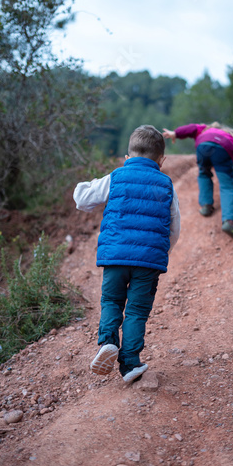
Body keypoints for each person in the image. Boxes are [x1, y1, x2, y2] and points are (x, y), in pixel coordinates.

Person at [73, 125, 180, 384]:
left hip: (115, 257)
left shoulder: (115, 177)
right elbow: (174, 227)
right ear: (161, 160)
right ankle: (130, 363)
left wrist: (88, 183)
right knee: (137, 311)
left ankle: (107, 342)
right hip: (149, 261)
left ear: (127, 157)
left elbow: (82, 199)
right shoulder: (166, 184)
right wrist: (161, 251)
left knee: (111, 301)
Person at [163, 122, 233, 241]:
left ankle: (206, 205)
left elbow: (192, 128)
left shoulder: (205, 130)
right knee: (227, 186)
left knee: (204, 174)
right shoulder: (231, 140)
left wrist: (176, 133)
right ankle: (229, 222)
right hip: (224, 147)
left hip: (202, 144)